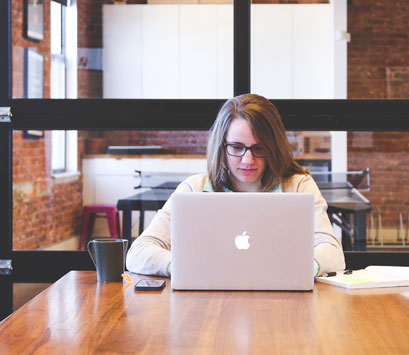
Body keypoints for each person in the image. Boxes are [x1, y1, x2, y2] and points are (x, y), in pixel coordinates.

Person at [126, 94, 346, 277]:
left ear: (274, 147)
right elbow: (138, 253)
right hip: (207, 304)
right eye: (237, 147)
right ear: (221, 146)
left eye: (259, 148)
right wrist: (185, 267)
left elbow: (333, 254)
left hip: (282, 304)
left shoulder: (298, 186)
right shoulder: (194, 189)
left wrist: (297, 270)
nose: (248, 160)